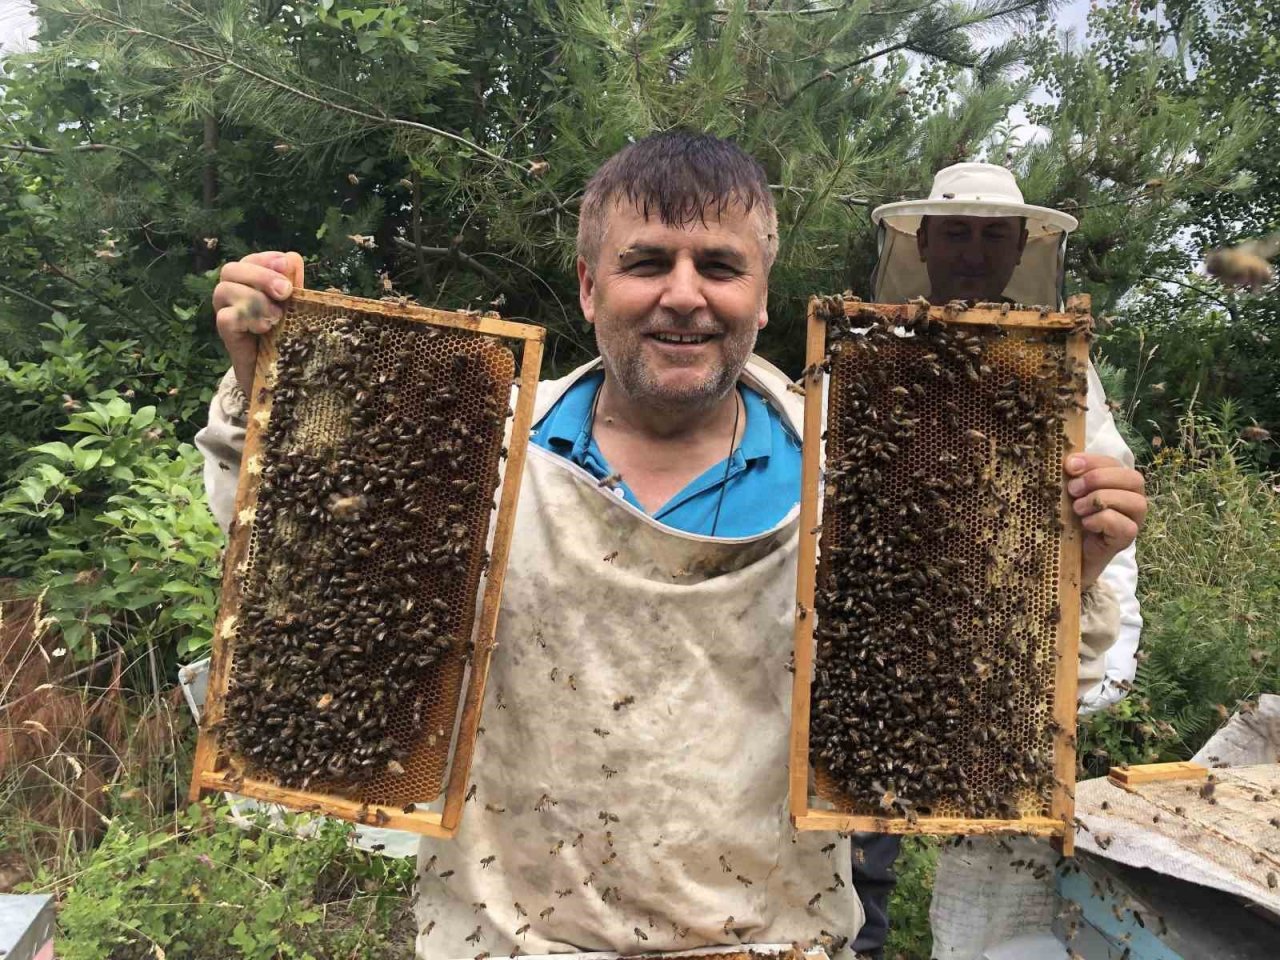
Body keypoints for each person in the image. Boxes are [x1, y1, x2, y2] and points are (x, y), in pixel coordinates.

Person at [195, 139, 1144, 960]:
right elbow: (302, 579)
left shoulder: (875, 475)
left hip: (770, 937)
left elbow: (960, 713)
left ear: (762, 296)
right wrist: (269, 392)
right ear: (589, 283)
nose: (683, 295)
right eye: (646, 260)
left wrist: (1070, 569)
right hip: (503, 938)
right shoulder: (468, 447)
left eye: (719, 267)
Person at [849, 162, 1145, 960]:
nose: (974, 252)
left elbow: (1107, 538)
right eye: (957, 231)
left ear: (1020, 249)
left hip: (1004, 650)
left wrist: (1091, 649)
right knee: (852, 866)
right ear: (923, 240)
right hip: (884, 645)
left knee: (994, 897)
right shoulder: (866, 353)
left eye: (993, 235)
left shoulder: (1056, 365)